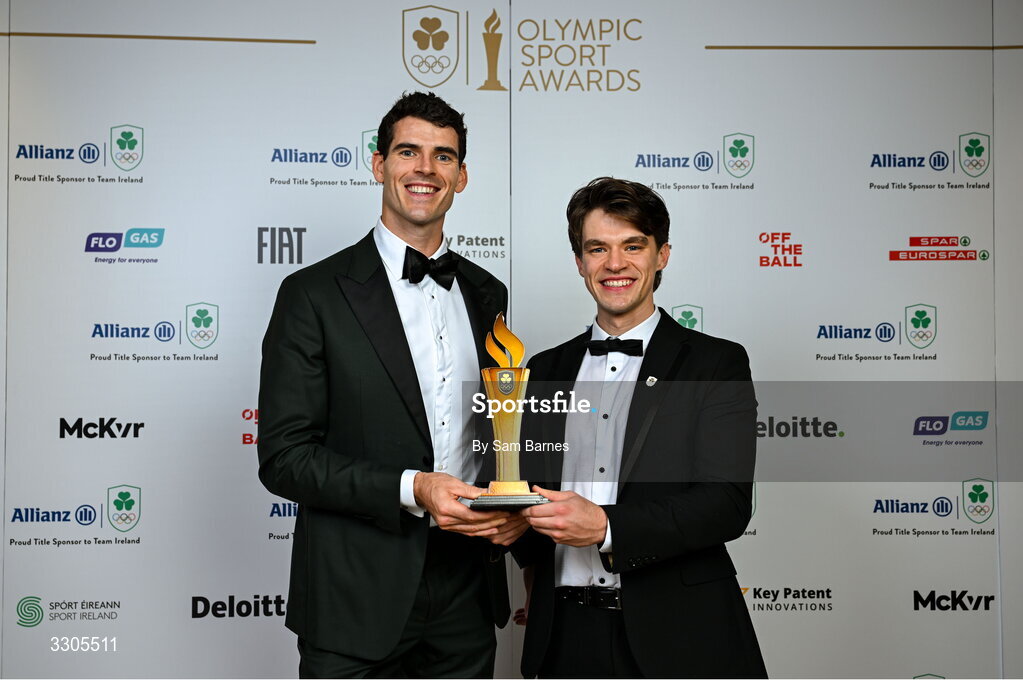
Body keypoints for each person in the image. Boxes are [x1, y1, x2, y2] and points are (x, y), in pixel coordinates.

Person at [258, 91, 524, 678]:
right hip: (355, 596)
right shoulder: (312, 296)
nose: (425, 169)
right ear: (379, 165)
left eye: (443, 156)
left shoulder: (487, 293)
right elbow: (284, 459)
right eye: (409, 152)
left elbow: (492, 432)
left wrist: (509, 506)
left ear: (461, 176)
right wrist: (415, 487)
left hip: (467, 589)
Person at [514, 177, 767, 678]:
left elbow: (727, 504)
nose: (615, 264)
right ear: (580, 262)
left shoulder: (715, 363)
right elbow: (526, 488)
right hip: (563, 637)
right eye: (597, 249)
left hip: (681, 635)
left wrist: (608, 527)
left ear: (662, 255)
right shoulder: (542, 370)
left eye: (633, 246)